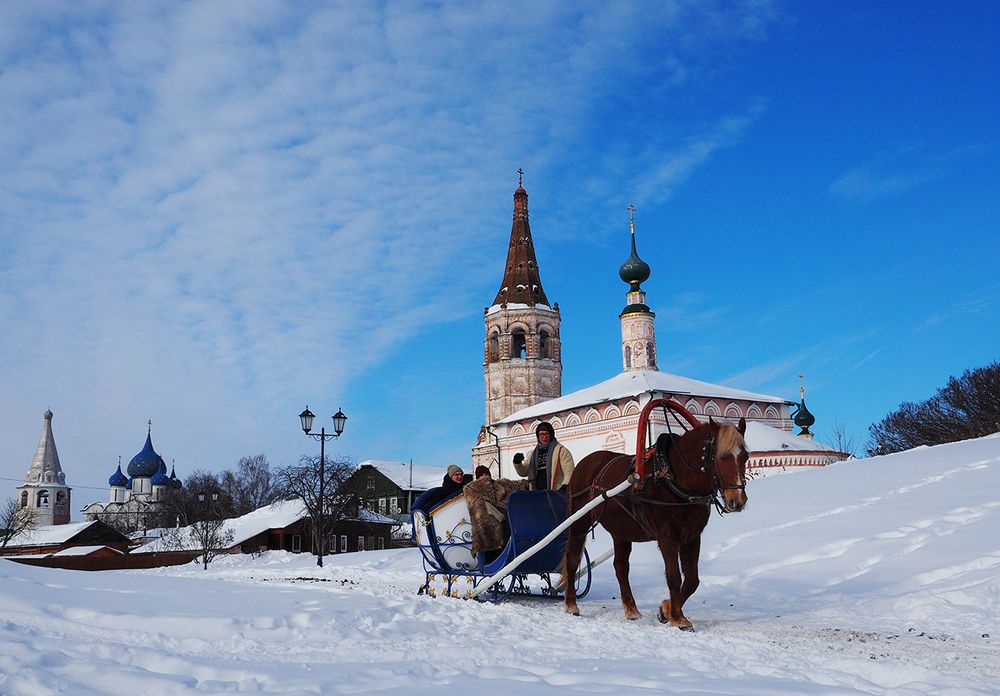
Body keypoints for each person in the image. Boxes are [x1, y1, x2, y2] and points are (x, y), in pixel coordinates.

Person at [512, 422, 575, 491]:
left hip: (555, 493)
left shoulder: (561, 451)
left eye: (547, 434)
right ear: (537, 436)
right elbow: (524, 472)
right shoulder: (533, 454)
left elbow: (569, 472)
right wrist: (517, 462)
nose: (544, 437)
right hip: (537, 493)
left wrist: (565, 486)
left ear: (551, 435)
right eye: (541, 434)